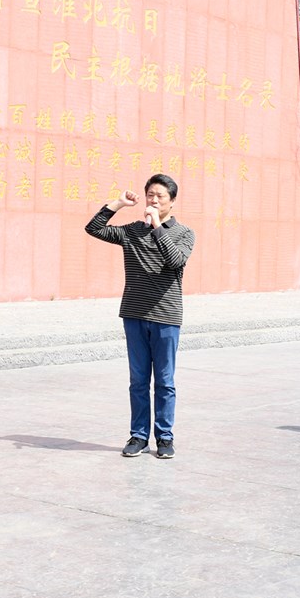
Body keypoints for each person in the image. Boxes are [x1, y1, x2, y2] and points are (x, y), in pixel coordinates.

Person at [85, 174, 196, 458]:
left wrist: (157, 226)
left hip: (166, 316)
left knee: (165, 381)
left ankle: (165, 438)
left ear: (172, 201)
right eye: (150, 195)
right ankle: (138, 436)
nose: (154, 200)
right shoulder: (132, 232)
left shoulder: (184, 233)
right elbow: (94, 228)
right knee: (138, 381)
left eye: (160, 196)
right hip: (134, 314)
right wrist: (118, 203)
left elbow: (175, 260)